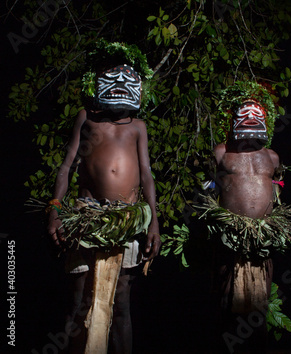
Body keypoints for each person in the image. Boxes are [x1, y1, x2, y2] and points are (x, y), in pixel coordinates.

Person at [46, 39, 160, 353]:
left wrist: (154, 225)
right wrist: (55, 209)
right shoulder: (87, 118)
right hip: (87, 216)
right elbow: (67, 166)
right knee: (81, 299)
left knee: (121, 303)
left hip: (126, 219)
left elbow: (147, 175)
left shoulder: (137, 126)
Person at [198, 81, 291, 352]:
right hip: (229, 235)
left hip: (261, 238)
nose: (251, 118)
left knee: (261, 298)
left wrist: (274, 221)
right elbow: (210, 187)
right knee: (225, 296)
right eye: (244, 114)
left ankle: (258, 346)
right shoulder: (222, 152)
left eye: (257, 114)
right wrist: (212, 213)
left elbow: (278, 188)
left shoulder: (272, 157)